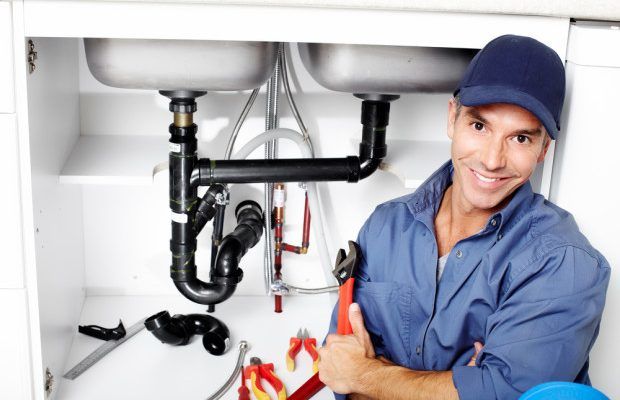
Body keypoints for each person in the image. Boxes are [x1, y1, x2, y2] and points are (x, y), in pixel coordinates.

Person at [317, 34, 611, 400]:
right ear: (452, 117)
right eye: (479, 126)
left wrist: (368, 375)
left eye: (520, 138)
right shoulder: (385, 227)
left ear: (542, 150)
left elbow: (506, 394)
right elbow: (341, 368)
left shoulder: (562, 261)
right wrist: (460, 387)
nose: (492, 160)